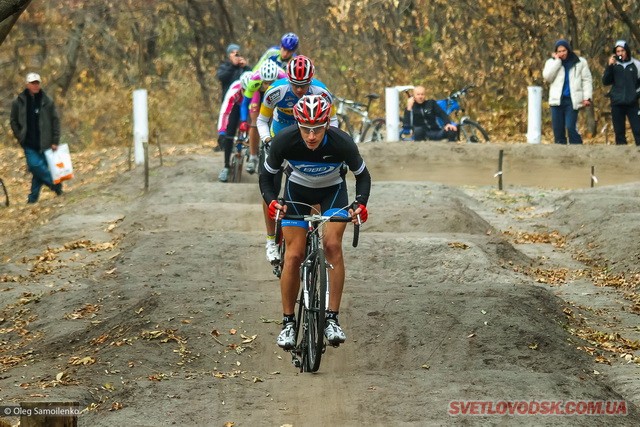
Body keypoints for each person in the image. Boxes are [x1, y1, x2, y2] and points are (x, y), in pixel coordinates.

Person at [259, 95, 371, 349]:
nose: (311, 135)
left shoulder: (342, 142)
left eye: (318, 128)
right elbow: (267, 177)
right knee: (294, 255)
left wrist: (361, 203)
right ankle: (288, 323)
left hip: (332, 192)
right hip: (297, 193)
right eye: (306, 129)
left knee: (332, 246)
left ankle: (332, 318)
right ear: (297, 124)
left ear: (327, 125)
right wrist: (272, 201)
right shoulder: (284, 141)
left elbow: (363, 176)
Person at [256, 55, 338, 264]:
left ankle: (312, 226)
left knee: (316, 178)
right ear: (288, 79)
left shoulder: (321, 92)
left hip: (308, 138)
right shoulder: (276, 91)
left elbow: (334, 120)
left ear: (311, 80)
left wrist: (331, 140)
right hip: (279, 139)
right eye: (295, 85)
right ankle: (271, 240)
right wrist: (266, 139)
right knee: (270, 187)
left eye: (304, 85)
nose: (300, 90)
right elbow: (262, 119)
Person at [10, 72, 63, 203]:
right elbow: (13, 121)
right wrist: (19, 136)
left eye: (37, 83)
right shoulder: (19, 102)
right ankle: (55, 184)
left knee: (37, 173)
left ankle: (32, 199)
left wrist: (55, 140)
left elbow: (55, 121)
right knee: (34, 166)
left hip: (45, 142)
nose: (35, 85)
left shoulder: (47, 101)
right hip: (28, 143)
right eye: (32, 83)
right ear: (27, 85)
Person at [238, 60, 286, 174]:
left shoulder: (283, 77)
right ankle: (253, 157)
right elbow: (245, 104)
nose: (268, 85)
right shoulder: (255, 80)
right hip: (258, 94)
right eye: (266, 83)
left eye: (271, 82)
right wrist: (244, 121)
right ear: (261, 80)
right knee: (255, 121)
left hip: (277, 94)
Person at [542, 39, 593, 144]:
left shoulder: (580, 62)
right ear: (556, 52)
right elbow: (547, 77)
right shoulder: (551, 62)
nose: (562, 53)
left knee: (570, 127)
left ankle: (577, 148)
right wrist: (557, 62)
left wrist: (587, 97)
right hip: (556, 101)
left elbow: (587, 80)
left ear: (568, 50)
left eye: (564, 50)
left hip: (572, 100)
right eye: (559, 51)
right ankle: (561, 154)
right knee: (558, 130)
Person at [602, 40, 640, 146]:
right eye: (618, 51)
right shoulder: (614, 65)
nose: (620, 53)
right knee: (619, 132)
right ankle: (621, 158)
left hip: (632, 103)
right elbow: (605, 81)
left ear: (627, 51)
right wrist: (610, 66)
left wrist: (636, 94)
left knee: (638, 130)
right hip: (617, 103)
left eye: (622, 50)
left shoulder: (636, 64)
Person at [216, 71, 253, 182]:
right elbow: (225, 112)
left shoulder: (256, 91)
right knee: (230, 131)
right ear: (241, 87)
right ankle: (226, 167)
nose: (247, 93)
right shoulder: (234, 91)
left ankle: (253, 153)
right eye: (244, 90)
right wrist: (222, 132)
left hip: (252, 107)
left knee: (253, 125)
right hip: (236, 108)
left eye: (249, 91)